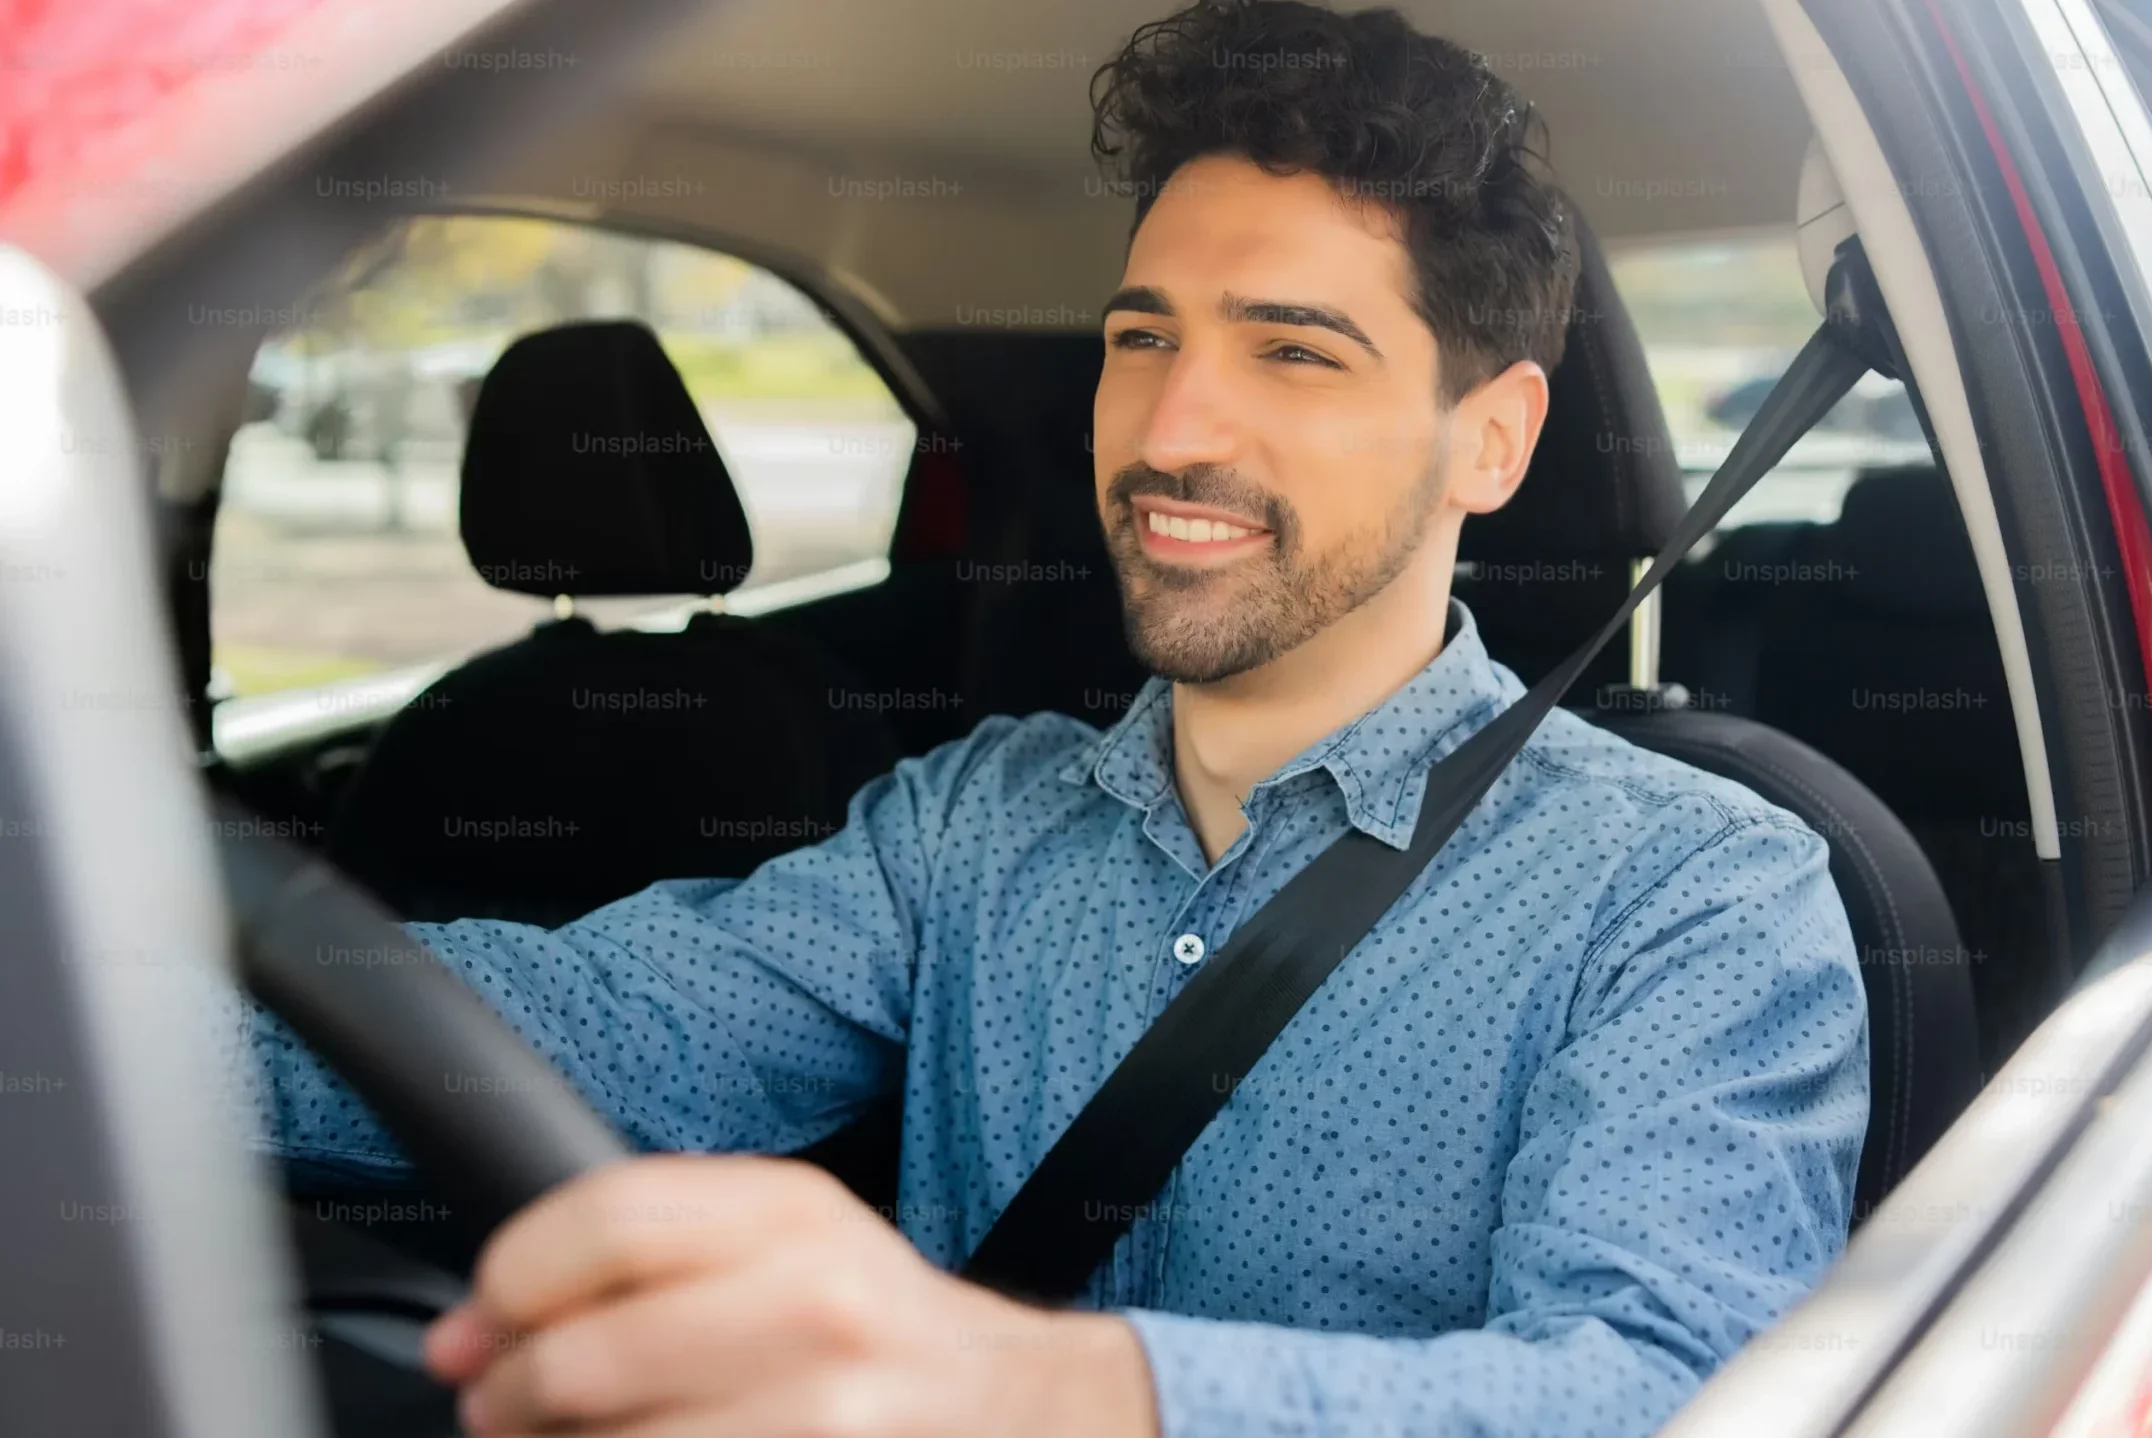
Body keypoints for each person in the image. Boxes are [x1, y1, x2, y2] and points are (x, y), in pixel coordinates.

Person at [246, 3, 1869, 1433]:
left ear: (1492, 442)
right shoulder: (972, 820)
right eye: (1141, 337)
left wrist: (1029, 1390)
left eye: (1294, 352)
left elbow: (1664, 1389)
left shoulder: (1693, 891)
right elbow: (589, 1022)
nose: (1173, 426)